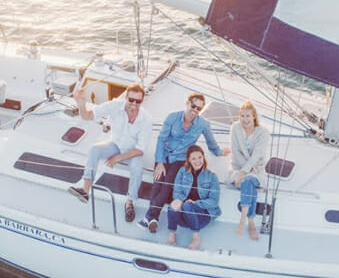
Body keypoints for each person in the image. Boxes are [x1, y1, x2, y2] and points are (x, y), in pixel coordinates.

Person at [141, 93, 230, 233]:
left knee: (167, 185)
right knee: (157, 183)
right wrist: (159, 162)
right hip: (165, 156)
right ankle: (153, 218)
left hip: (181, 159)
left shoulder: (203, 124)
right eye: (193, 106)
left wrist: (219, 152)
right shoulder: (172, 117)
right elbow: (161, 139)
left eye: (199, 108)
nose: (195, 110)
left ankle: (150, 217)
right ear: (187, 103)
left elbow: (211, 142)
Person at [68, 83, 151, 223]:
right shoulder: (114, 106)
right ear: (125, 97)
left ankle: (130, 202)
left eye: (138, 101)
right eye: (131, 100)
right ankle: (85, 190)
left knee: (137, 169)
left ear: (142, 101)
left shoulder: (145, 119)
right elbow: (88, 116)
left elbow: (140, 149)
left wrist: (117, 158)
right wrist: (81, 105)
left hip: (133, 152)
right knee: (94, 149)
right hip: (116, 145)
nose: (134, 104)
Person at [228, 100, 270, 240]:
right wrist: (244, 170)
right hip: (238, 166)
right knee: (248, 182)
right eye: (242, 116)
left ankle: (243, 220)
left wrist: (245, 172)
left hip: (257, 169)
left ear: (254, 116)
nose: (245, 119)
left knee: (247, 180)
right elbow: (235, 152)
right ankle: (251, 222)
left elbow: (257, 155)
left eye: (248, 116)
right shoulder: (235, 128)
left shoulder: (263, 132)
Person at [167, 145, 221, 250]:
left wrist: (196, 203)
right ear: (189, 160)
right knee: (173, 205)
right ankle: (172, 233)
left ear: (203, 157)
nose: (197, 161)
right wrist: (181, 201)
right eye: (193, 158)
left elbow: (214, 201)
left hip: (202, 217)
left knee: (188, 205)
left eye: (200, 157)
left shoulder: (211, 176)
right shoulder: (182, 172)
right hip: (184, 218)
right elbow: (177, 192)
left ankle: (196, 237)